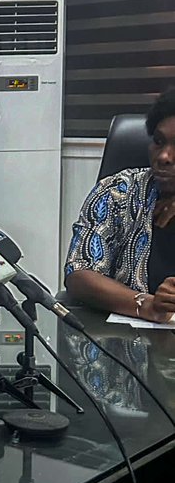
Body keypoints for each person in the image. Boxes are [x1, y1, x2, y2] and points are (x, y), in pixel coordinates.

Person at [65, 88, 175, 321]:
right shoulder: (119, 190)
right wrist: (147, 305)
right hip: (127, 336)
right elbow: (79, 272)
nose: (164, 156)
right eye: (158, 142)